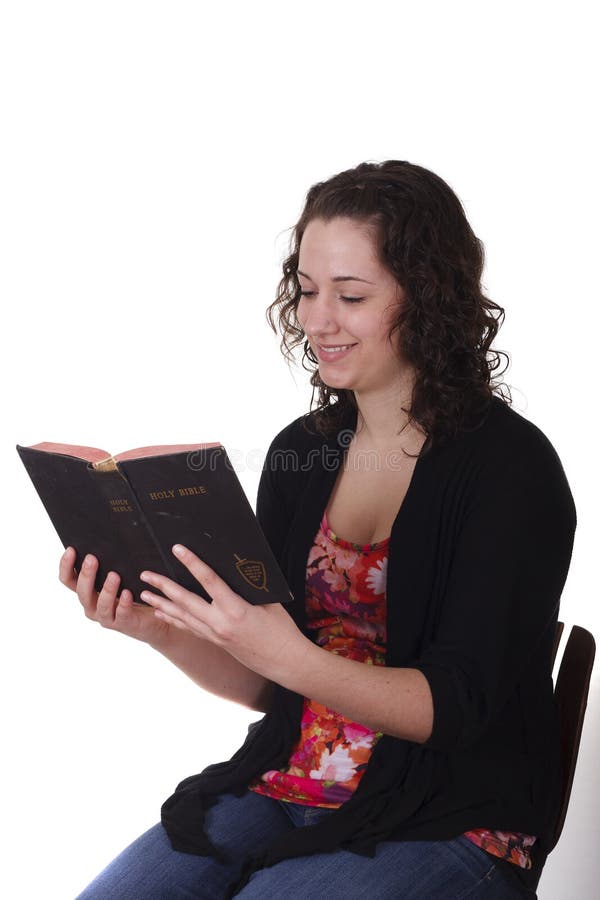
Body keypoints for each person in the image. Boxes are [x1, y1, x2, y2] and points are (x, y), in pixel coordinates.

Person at [62, 160, 576, 899]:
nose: (316, 319)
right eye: (305, 290)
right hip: (290, 784)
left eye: (352, 295)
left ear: (428, 298)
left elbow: (457, 707)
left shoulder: (510, 470)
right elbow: (275, 688)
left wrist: (289, 657)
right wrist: (157, 628)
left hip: (451, 817)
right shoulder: (305, 451)